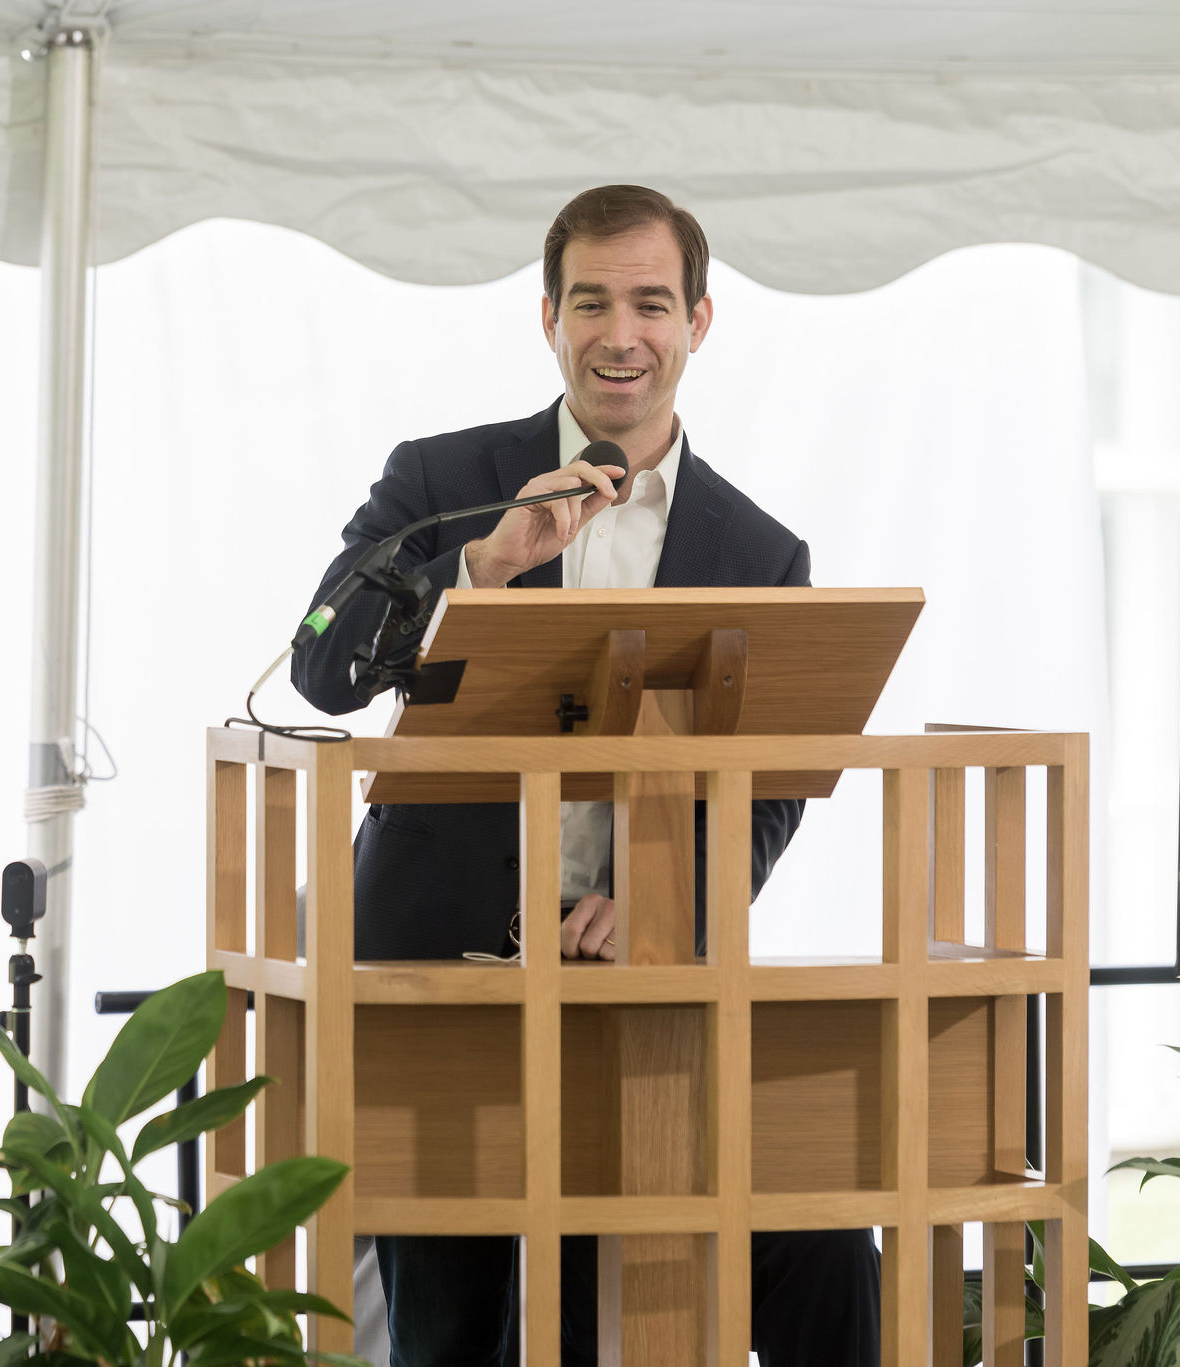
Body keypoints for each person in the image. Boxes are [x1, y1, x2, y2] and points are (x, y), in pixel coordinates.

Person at [291, 185, 879, 1366]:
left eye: (650, 303)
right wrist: (480, 562)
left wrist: (674, 897)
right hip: (433, 978)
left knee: (801, 1254)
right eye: (593, 302)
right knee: (449, 1329)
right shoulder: (440, 477)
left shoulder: (760, 554)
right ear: (547, 317)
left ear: (697, 322)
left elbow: (766, 792)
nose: (621, 334)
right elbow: (318, 664)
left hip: (636, 992)